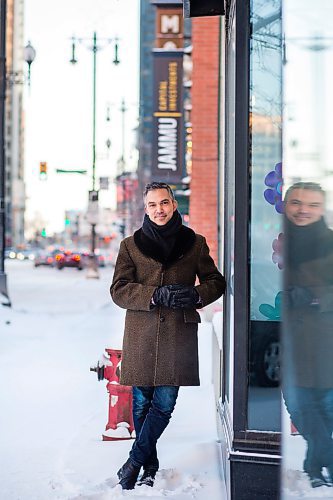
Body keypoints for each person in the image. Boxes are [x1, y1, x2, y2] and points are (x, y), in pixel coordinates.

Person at [110, 181, 225, 490]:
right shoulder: (130, 246)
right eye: (152, 204)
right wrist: (155, 294)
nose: (158, 209)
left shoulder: (195, 243)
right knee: (140, 405)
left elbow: (216, 281)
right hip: (141, 334)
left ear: (174, 205)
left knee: (164, 404)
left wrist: (195, 295)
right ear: (145, 208)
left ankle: (134, 461)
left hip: (178, 335)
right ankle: (149, 464)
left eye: (164, 203)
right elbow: (118, 290)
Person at [283, 182, 333, 488]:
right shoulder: (270, 243)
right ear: (286, 205)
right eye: (297, 203)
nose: (304, 210)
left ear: (323, 209)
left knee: (327, 409)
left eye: (313, 205)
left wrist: (314, 299)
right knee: (302, 408)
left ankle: (314, 466)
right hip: (287, 347)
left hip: (326, 344)